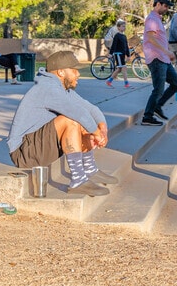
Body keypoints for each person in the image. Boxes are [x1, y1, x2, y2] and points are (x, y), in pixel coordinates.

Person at [7, 51, 117, 197]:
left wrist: (102, 129)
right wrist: (96, 134)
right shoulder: (47, 88)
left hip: (36, 145)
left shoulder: (62, 89)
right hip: (23, 153)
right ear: (60, 72)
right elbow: (78, 113)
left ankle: (89, 170)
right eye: (74, 70)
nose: (78, 74)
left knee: (82, 120)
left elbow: (90, 108)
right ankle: (78, 181)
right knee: (71, 120)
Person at [141, 0, 177, 126]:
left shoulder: (158, 19)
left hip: (164, 59)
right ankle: (147, 117)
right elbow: (151, 38)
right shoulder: (151, 19)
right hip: (156, 58)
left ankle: (157, 106)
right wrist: (166, 51)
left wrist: (167, 52)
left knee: (176, 84)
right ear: (157, 4)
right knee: (158, 89)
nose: (166, 8)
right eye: (165, 6)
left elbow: (159, 38)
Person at [105, 20, 131, 88]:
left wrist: (128, 55)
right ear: (118, 27)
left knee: (119, 69)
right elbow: (114, 45)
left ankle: (109, 81)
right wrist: (111, 53)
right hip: (118, 54)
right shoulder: (117, 35)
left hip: (122, 54)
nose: (124, 27)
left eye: (125, 26)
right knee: (124, 68)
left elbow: (126, 46)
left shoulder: (124, 36)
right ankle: (126, 83)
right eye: (122, 26)